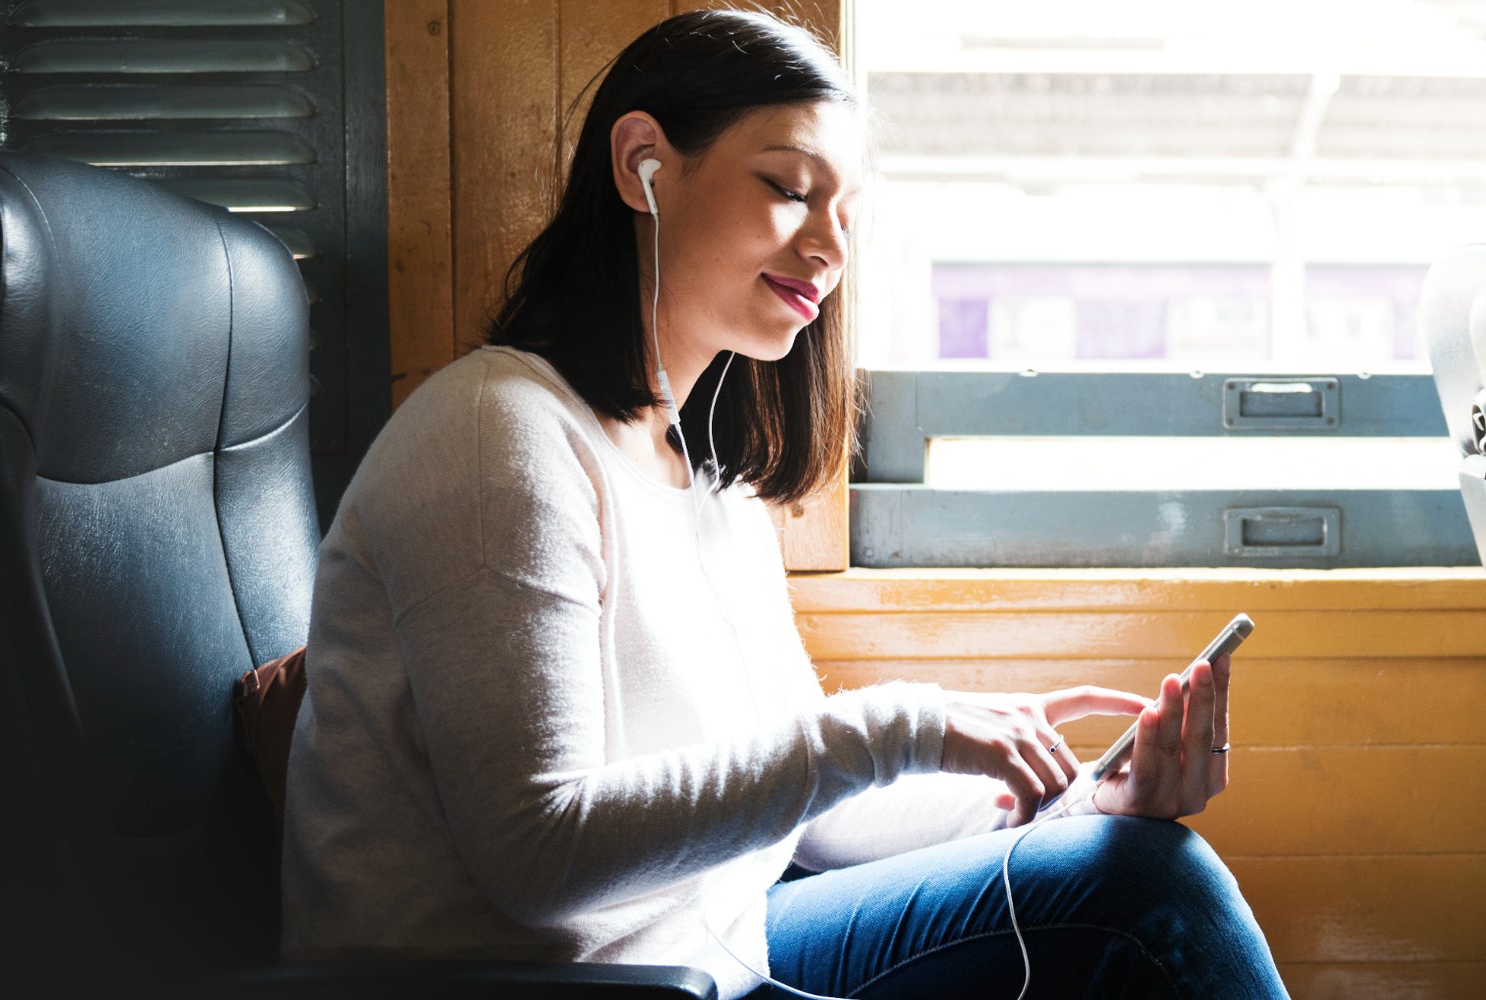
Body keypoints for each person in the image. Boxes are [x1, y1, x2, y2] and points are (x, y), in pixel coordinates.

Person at [280, 9, 1290, 999]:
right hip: (557, 981)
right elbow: (537, 858)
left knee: (1127, 859)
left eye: (844, 217)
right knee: (1143, 898)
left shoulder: (707, 484)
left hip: (720, 945)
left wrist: (1067, 804)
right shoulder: (496, 436)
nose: (826, 247)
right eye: (786, 189)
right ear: (643, 162)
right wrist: (898, 728)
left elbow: (818, 816)